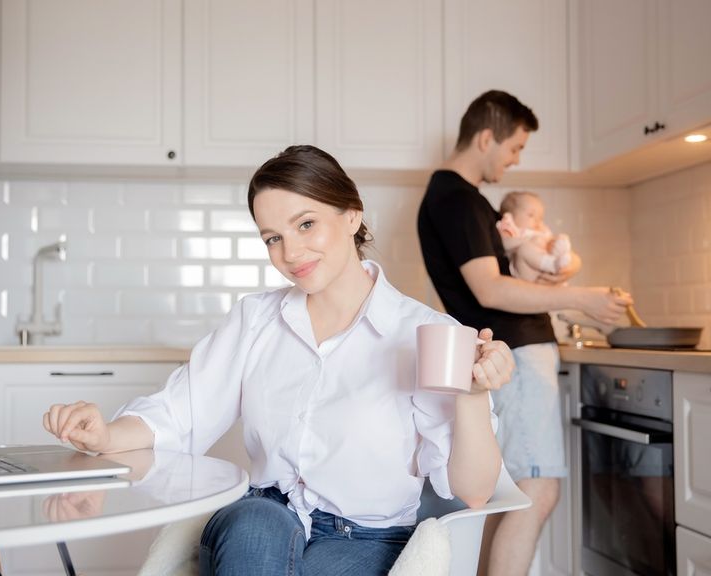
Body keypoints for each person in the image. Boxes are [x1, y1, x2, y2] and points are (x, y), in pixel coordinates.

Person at [44, 145, 516, 576]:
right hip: (260, 519)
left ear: (352, 215)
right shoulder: (255, 321)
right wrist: (105, 434)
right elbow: (178, 414)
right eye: (272, 237)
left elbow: (473, 491)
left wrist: (474, 396)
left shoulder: (427, 334)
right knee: (254, 522)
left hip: (366, 540)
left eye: (306, 224)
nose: (290, 252)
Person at [416, 90, 632, 576]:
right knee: (537, 490)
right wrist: (582, 298)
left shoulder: (463, 201)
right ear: (487, 138)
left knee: (509, 496)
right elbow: (490, 290)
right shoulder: (456, 198)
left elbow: (504, 278)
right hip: (516, 356)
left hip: (509, 357)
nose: (515, 160)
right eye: (514, 148)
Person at [496, 191, 573, 283]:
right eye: (531, 215)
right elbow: (503, 244)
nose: (537, 220)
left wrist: (553, 242)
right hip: (526, 272)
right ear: (510, 216)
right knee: (525, 249)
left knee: (561, 238)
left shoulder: (540, 230)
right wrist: (528, 240)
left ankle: (560, 258)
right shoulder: (511, 228)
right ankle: (552, 264)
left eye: (540, 217)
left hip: (547, 274)